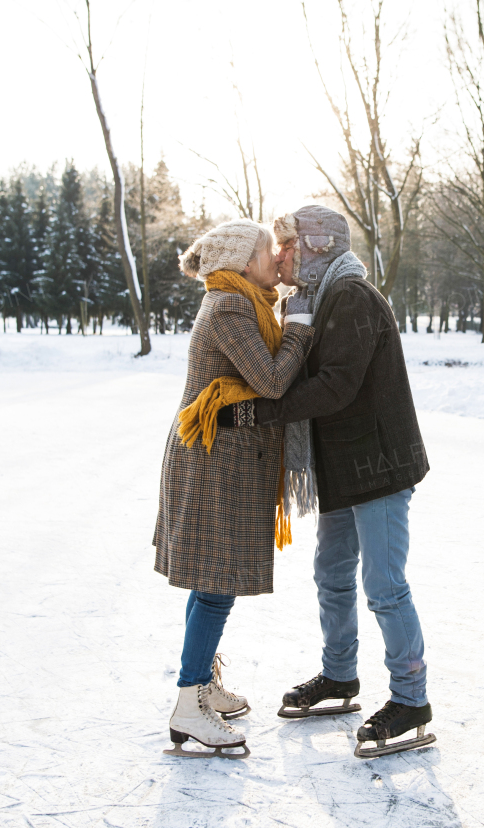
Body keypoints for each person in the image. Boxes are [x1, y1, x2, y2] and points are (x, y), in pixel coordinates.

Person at [223, 205, 434, 758]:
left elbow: (336, 386)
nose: (281, 255)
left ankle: (412, 699)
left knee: (385, 586)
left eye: (287, 245)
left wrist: (259, 412)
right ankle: (340, 675)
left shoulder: (353, 297)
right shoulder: (316, 301)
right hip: (344, 466)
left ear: (315, 246)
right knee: (331, 574)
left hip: (380, 466)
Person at [152, 219, 316, 759]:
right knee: (216, 583)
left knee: (209, 582)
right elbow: (270, 381)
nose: (277, 257)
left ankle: (200, 686)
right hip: (212, 461)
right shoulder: (230, 308)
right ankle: (188, 704)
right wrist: (300, 328)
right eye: (268, 250)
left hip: (219, 458)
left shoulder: (245, 302)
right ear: (244, 261)